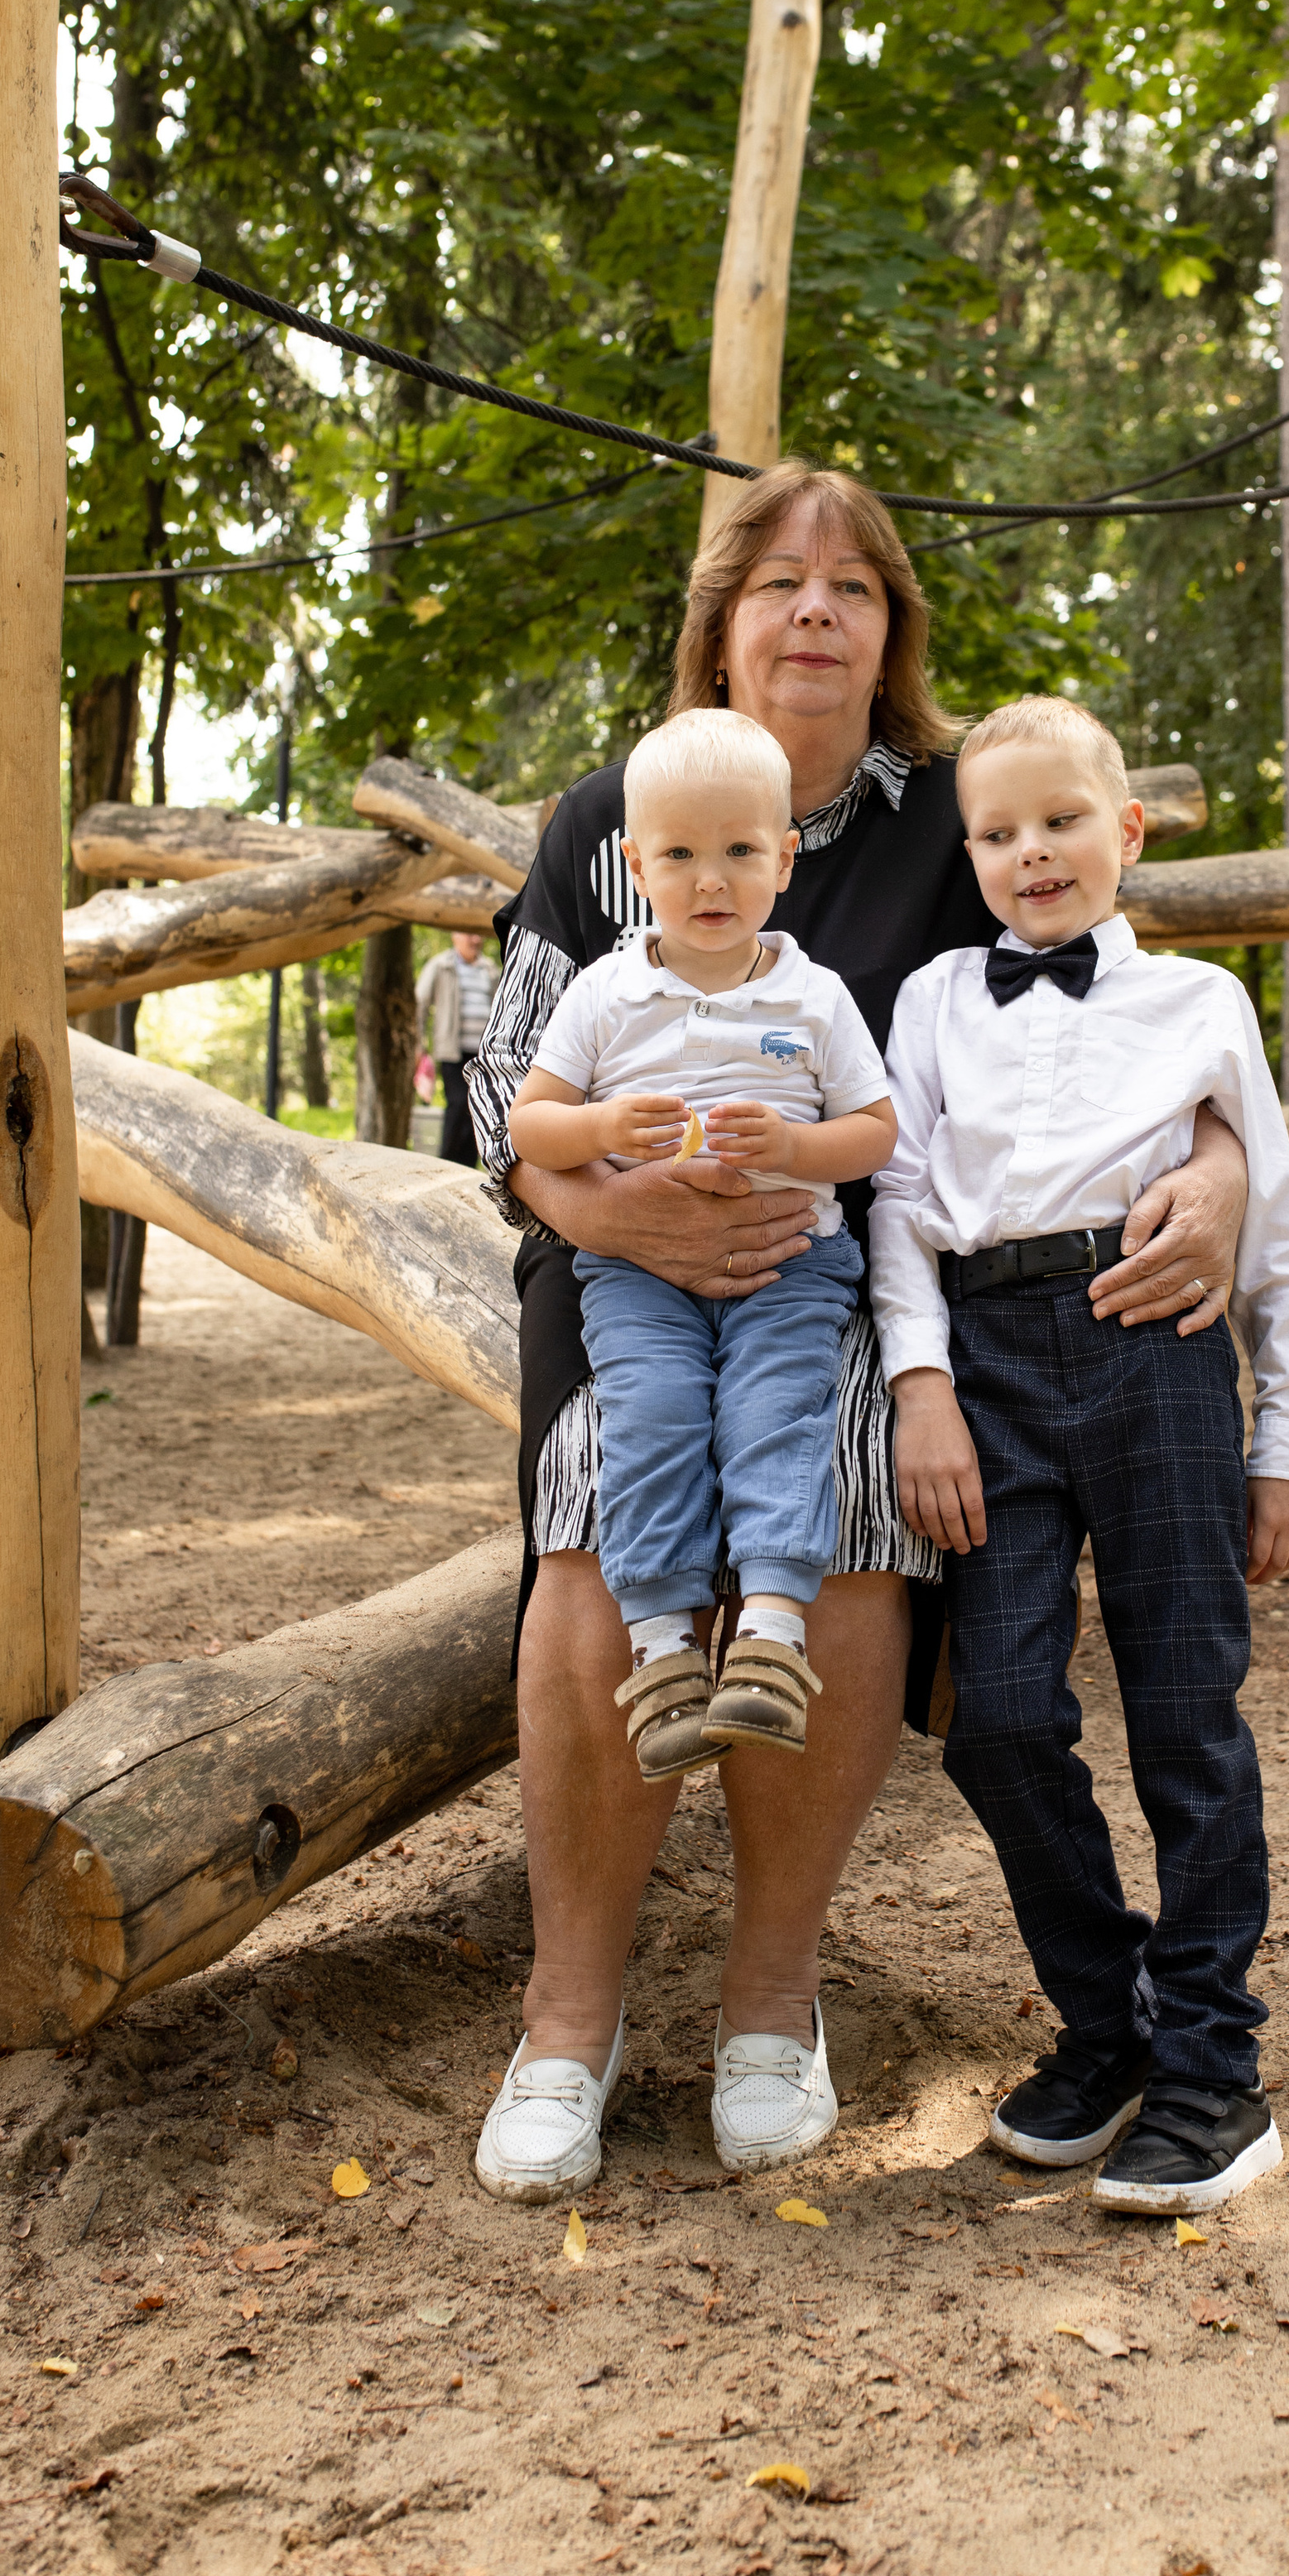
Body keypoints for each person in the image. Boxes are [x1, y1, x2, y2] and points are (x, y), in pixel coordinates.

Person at [464, 463, 1254, 2205]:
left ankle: (769, 1999)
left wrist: (1214, 1168)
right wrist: (604, 1212)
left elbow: (1107, 1016)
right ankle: (564, 2019)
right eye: (775, 580)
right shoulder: (612, 813)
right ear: (721, 621)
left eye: (853, 586)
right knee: (604, 1519)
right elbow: (491, 1081)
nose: (813, 608)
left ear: (890, 629)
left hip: (861, 1280)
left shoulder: (948, 812)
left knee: (832, 1529)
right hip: (619, 1272)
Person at [870, 694, 1289, 2217]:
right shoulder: (934, 999)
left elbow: (1273, 1242)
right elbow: (898, 1208)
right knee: (995, 1718)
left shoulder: (1201, 1005)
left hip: (1157, 1364)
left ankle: (1213, 2069)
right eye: (996, 833)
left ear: (1126, 829)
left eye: (1060, 819)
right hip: (987, 1375)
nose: (1030, 852)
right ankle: (1109, 2017)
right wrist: (922, 1385)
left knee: (1187, 1720)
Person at [508, 709, 899, 1778]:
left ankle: (770, 1638)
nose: (711, 879)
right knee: (655, 1419)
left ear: (784, 856)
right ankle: (665, 1652)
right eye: (679, 855)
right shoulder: (606, 993)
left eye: (738, 851)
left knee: (777, 1414)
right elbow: (527, 1123)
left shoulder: (812, 998)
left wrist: (794, 1142)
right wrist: (596, 1131)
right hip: (637, 1276)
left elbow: (876, 1133)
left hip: (791, 1265)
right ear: (636, 866)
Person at [416, 930, 498, 1165]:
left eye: (478, 935)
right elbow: (419, 1003)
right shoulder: (441, 965)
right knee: (458, 1103)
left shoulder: (490, 969)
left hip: (482, 1055)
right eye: (469, 934)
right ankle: (446, 1161)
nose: (475, 939)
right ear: (454, 936)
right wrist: (419, 1046)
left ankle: (469, 1165)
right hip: (452, 1051)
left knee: (477, 1107)